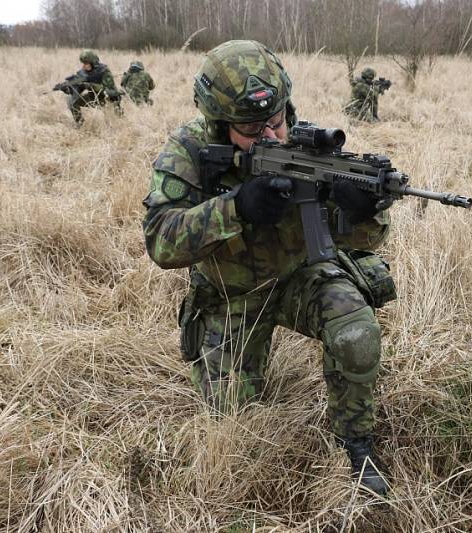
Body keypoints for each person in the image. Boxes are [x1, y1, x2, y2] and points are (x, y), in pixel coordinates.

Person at [142, 40, 392, 495]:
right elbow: (161, 241)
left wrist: (361, 211)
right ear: (219, 122)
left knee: (355, 332)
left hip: (301, 278)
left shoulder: (306, 148)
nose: (269, 135)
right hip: (230, 295)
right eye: (250, 127)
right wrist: (236, 208)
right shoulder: (188, 150)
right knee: (233, 424)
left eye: (274, 120)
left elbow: (366, 240)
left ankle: (357, 442)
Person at [58, 50, 122, 126]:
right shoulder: (83, 72)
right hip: (93, 98)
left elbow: (110, 91)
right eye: (83, 63)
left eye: (86, 64)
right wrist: (68, 89)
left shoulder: (104, 71)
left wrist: (91, 85)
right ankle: (80, 123)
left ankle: (118, 117)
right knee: (71, 100)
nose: (83, 66)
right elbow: (78, 91)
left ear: (93, 63)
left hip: (108, 100)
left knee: (113, 124)